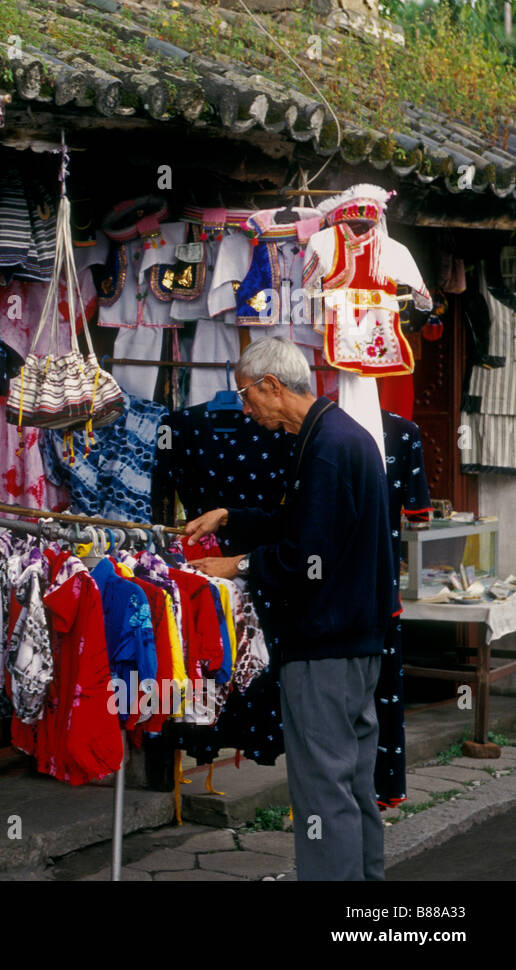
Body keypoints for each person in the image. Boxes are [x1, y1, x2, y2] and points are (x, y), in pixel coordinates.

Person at [185, 336, 395, 881]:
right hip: (358, 641)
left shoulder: (326, 447)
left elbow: (307, 556)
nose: (248, 412)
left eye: (247, 397)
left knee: (323, 789)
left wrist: (239, 566)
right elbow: (302, 527)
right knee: (351, 784)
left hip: (324, 644)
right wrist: (231, 517)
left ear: (271, 386)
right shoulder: (337, 435)